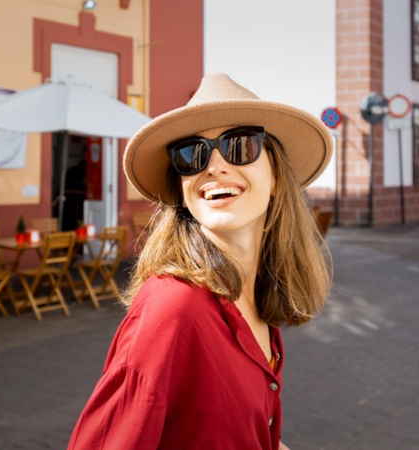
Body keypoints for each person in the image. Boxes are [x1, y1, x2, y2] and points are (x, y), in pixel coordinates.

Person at [67, 74, 333, 450]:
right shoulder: (171, 309)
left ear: (276, 176)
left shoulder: (256, 297)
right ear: (181, 187)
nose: (213, 167)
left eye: (239, 145)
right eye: (191, 154)